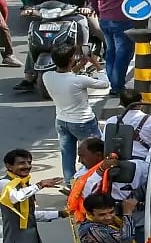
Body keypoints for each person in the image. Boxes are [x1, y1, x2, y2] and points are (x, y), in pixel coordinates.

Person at [42, 46, 108, 186]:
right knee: (93, 154)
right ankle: (93, 182)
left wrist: (78, 66)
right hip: (83, 122)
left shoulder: (47, 76)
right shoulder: (80, 80)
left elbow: (65, 77)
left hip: (61, 120)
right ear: (71, 59)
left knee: (67, 155)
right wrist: (96, 64)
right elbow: (105, 84)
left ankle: (70, 184)